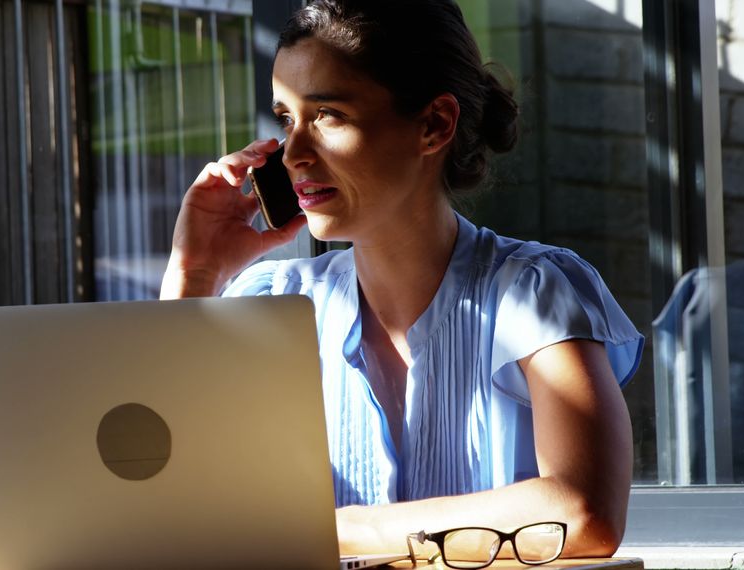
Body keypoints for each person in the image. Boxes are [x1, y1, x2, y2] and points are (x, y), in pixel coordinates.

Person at [160, 0, 644, 558]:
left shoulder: (532, 294)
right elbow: (165, 499)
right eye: (286, 120)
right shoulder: (273, 301)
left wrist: (332, 528)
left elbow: (582, 513)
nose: (293, 153)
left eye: (328, 116)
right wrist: (195, 274)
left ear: (434, 124)